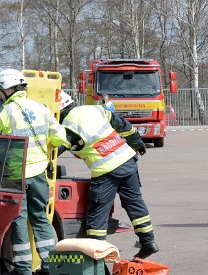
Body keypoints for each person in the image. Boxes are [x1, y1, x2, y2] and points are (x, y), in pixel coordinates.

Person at [58, 91, 159, 258]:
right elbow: (123, 125)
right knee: (134, 202)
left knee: (98, 209)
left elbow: (56, 151)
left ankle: (95, 252)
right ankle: (148, 242)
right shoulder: (93, 109)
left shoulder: (68, 126)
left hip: (106, 169)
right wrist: (137, 142)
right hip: (127, 159)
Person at [0, 69, 67, 275]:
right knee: (39, 218)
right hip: (39, 172)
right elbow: (59, 138)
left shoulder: (6, 112)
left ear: (8, 89)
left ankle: (22, 269)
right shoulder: (41, 108)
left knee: (18, 219)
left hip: (15, 174)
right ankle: (49, 265)